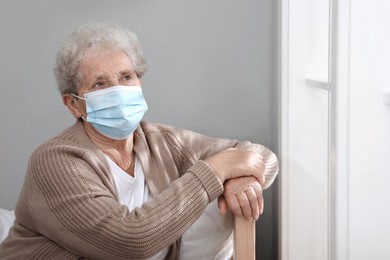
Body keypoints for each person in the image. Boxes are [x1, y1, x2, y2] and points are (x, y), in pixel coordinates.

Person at [0, 21, 278, 259]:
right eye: (100, 84)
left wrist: (241, 178)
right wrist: (218, 170)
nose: (119, 90)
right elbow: (131, 242)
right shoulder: (54, 161)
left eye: (126, 76)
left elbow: (262, 156)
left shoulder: (161, 141)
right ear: (73, 105)